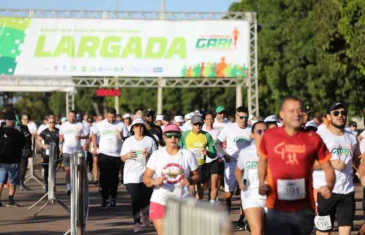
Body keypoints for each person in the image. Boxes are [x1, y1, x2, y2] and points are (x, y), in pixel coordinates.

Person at [258, 96, 335, 235]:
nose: (297, 114)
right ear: (282, 114)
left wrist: (329, 185)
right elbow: (262, 160)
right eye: (291, 110)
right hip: (276, 207)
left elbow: (327, 166)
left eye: (300, 110)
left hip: (304, 209)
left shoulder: (313, 138)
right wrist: (261, 182)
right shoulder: (270, 136)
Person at [313, 102, 363, 235]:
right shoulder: (320, 135)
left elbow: (358, 160)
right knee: (324, 232)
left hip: (347, 191)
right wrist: (331, 163)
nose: (340, 115)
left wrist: (362, 175)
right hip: (325, 192)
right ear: (329, 117)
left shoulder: (351, 137)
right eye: (336, 113)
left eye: (343, 113)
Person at [143, 124, 200, 235]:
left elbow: (198, 175)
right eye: (169, 135)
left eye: (176, 135)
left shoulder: (188, 155)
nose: (173, 138)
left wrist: (191, 180)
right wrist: (154, 181)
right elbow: (146, 179)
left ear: (180, 137)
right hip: (160, 200)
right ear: (164, 137)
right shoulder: (157, 155)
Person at [120, 118, 157, 232]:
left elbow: (156, 157)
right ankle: (136, 223)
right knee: (135, 198)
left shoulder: (149, 140)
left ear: (144, 128)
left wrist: (149, 154)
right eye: (136, 126)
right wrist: (127, 155)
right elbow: (122, 157)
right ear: (133, 128)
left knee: (146, 199)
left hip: (146, 174)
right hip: (131, 175)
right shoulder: (128, 141)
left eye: (141, 126)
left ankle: (145, 214)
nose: (139, 128)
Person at [215, 106, 251, 213]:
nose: (243, 120)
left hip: (246, 165)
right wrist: (224, 154)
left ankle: (242, 218)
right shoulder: (229, 128)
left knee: (245, 192)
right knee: (228, 193)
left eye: (246, 117)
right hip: (232, 163)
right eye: (241, 117)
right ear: (236, 116)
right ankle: (227, 212)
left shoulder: (251, 128)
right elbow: (217, 143)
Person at [235, 121, 268, 235]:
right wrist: (240, 182)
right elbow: (238, 171)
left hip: (271, 195)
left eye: (266, 131)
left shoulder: (275, 151)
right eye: (259, 131)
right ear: (253, 134)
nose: (263, 134)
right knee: (257, 231)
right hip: (251, 195)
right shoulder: (245, 153)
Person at [92, 108, 128, 209]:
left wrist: (120, 135)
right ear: (106, 116)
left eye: (113, 117)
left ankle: (113, 198)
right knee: (104, 177)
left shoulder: (121, 125)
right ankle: (105, 199)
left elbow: (126, 138)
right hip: (104, 154)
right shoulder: (101, 124)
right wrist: (95, 146)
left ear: (116, 116)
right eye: (109, 117)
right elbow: (93, 133)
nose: (111, 119)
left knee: (114, 178)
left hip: (117, 155)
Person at [179, 115, 216, 200]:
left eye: (200, 124)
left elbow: (214, 153)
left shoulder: (207, 135)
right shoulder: (185, 134)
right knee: (191, 185)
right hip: (189, 165)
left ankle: (198, 202)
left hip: (201, 164)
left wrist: (208, 152)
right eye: (196, 124)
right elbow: (178, 146)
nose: (198, 126)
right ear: (191, 124)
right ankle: (192, 205)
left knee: (200, 188)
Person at [0, 112, 25, 207]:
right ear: (14, 122)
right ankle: (10, 201)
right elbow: (23, 145)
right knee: (13, 181)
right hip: (14, 161)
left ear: (6, 121)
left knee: (1, 181)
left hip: (1, 160)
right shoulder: (18, 134)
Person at [59, 110, 84, 195]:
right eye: (70, 116)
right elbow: (61, 136)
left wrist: (80, 137)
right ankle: (69, 187)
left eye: (73, 116)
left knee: (77, 170)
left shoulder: (80, 125)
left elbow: (88, 135)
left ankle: (77, 186)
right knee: (67, 170)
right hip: (66, 150)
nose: (72, 118)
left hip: (77, 151)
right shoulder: (64, 125)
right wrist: (60, 146)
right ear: (68, 116)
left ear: (75, 117)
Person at [202, 112, 223, 203]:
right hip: (203, 160)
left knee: (214, 182)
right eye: (207, 119)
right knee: (204, 184)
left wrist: (221, 156)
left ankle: (212, 203)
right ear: (204, 121)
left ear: (213, 120)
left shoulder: (217, 132)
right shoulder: (201, 132)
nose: (209, 121)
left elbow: (219, 146)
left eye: (211, 119)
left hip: (214, 159)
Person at [37, 116, 60, 193]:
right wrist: (43, 146)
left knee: (53, 169)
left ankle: (52, 185)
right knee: (46, 169)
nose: (52, 124)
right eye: (50, 122)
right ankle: (46, 184)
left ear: (55, 123)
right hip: (46, 153)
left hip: (55, 153)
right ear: (48, 123)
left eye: (53, 122)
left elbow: (62, 140)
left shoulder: (58, 131)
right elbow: (38, 140)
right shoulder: (45, 132)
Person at [19, 115, 33, 191]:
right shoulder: (21, 127)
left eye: (27, 119)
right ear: (21, 120)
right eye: (24, 119)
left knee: (24, 167)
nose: (26, 120)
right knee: (23, 167)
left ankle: (21, 183)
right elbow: (24, 138)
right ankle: (20, 183)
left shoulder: (25, 127)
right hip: (22, 150)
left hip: (26, 149)